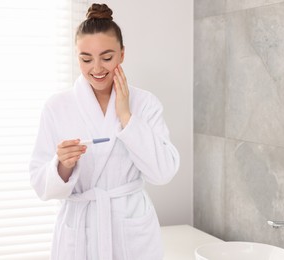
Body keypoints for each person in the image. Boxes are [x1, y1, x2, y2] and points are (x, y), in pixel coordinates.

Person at [29, 3, 180, 260]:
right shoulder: (57, 106)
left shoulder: (145, 104)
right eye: (86, 59)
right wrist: (62, 165)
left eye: (107, 57)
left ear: (122, 54)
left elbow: (163, 173)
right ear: (76, 56)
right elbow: (42, 186)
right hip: (80, 229)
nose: (96, 68)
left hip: (130, 226)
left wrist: (126, 117)